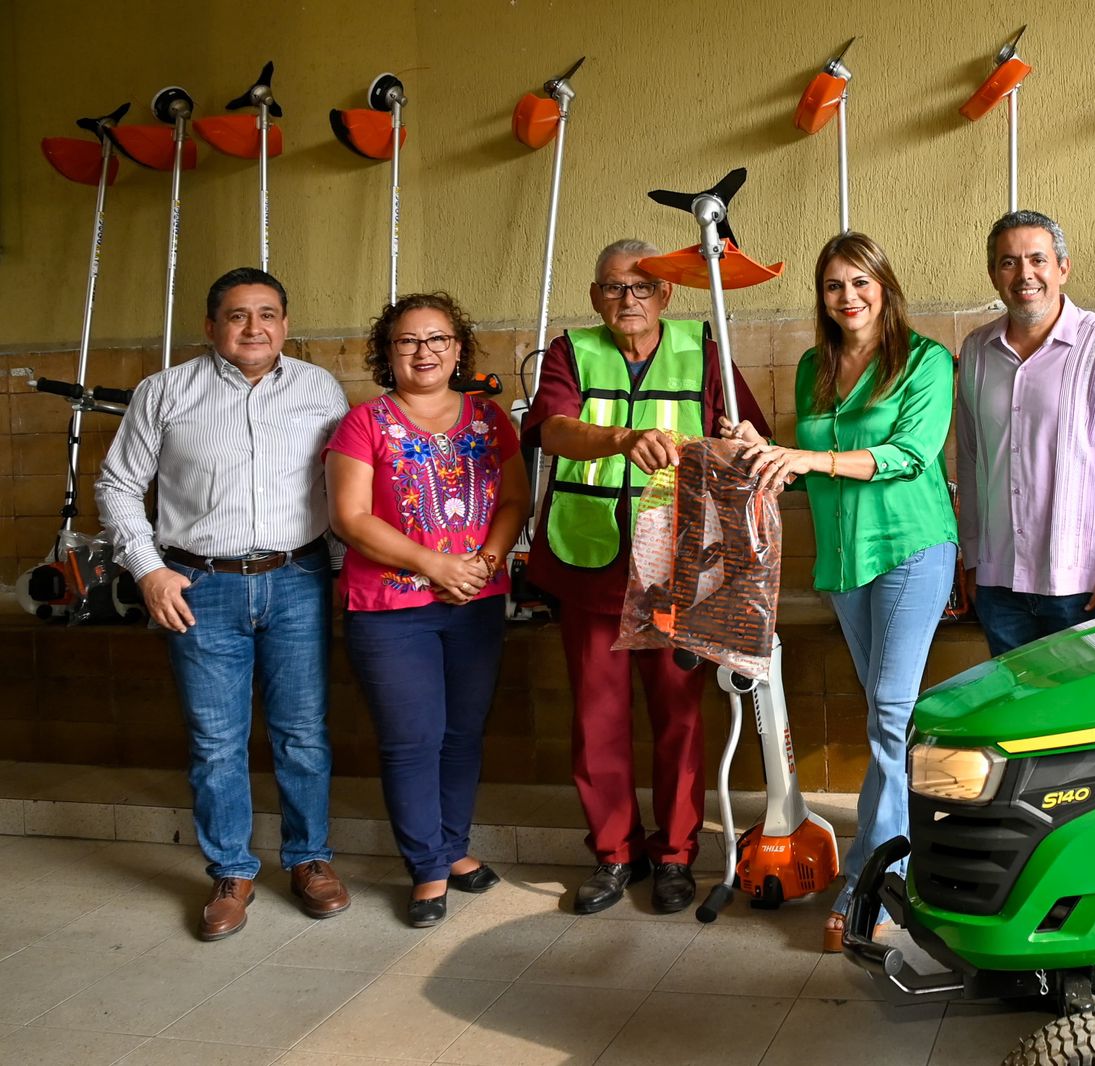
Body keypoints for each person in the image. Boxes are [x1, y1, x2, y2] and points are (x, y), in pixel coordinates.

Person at [95, 267, 351, 941]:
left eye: (267, 314)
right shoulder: (164, 392)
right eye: (237, 316)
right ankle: (231, 873)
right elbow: (118, 485)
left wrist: (349, 577)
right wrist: (149, 571)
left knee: (303, 732)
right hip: (199, 586)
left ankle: (309, 859)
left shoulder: (320, 389)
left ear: (285, 325)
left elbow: (343, 487)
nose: (253, 328)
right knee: (215, 741)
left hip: (298, 579)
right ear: (212, 327)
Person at [525, 239, 770, 915]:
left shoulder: (705, 348)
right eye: (612, 287)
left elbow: (750, 438)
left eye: (640, 287)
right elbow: (552, 431)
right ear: (594, 295)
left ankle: (675, 855)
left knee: (678, 719)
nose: (626, 299)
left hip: (677, 567)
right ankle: (614, 854)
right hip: (590, 561)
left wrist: (739, 440)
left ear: (666, 293)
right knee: (597, 718)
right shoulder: (571, 351)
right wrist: (621, 439)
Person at [728, 232, 956, 953]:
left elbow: (910, 454)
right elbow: (806, 471)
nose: (848, 297)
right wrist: (763, 454)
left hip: (911, 547)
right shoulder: (813, 367)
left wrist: (805, 456)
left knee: (889, 717)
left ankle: (874, 884)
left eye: (861, 282)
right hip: (845, 561)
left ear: (884, 287)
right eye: (834, 286)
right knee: (888, 721)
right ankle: (908, 856)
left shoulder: (925, 361)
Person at [325, 293, 530, 927]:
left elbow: (515, 502)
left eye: (437, 339)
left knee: (462, 735)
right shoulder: (364, 423)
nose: (424, 352)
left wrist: (484, 564)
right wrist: (435, 564)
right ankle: (428, 867)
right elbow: (350, 518)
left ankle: (453, 847)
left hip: (475, 602)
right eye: (408, 341)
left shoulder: (490, 419)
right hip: (390, 610)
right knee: (413, 740)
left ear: (458, 348)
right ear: (387, 353)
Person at [956, 210, 1095, 656]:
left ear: (1063, 268)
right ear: (993, 275)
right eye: (1009, 262)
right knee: (1015, 700)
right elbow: (971, 463)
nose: (1024, 274)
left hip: (1087, 586)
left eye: (1038, 260)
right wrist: (973, 560)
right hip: (999, 586)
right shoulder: (976, 351)